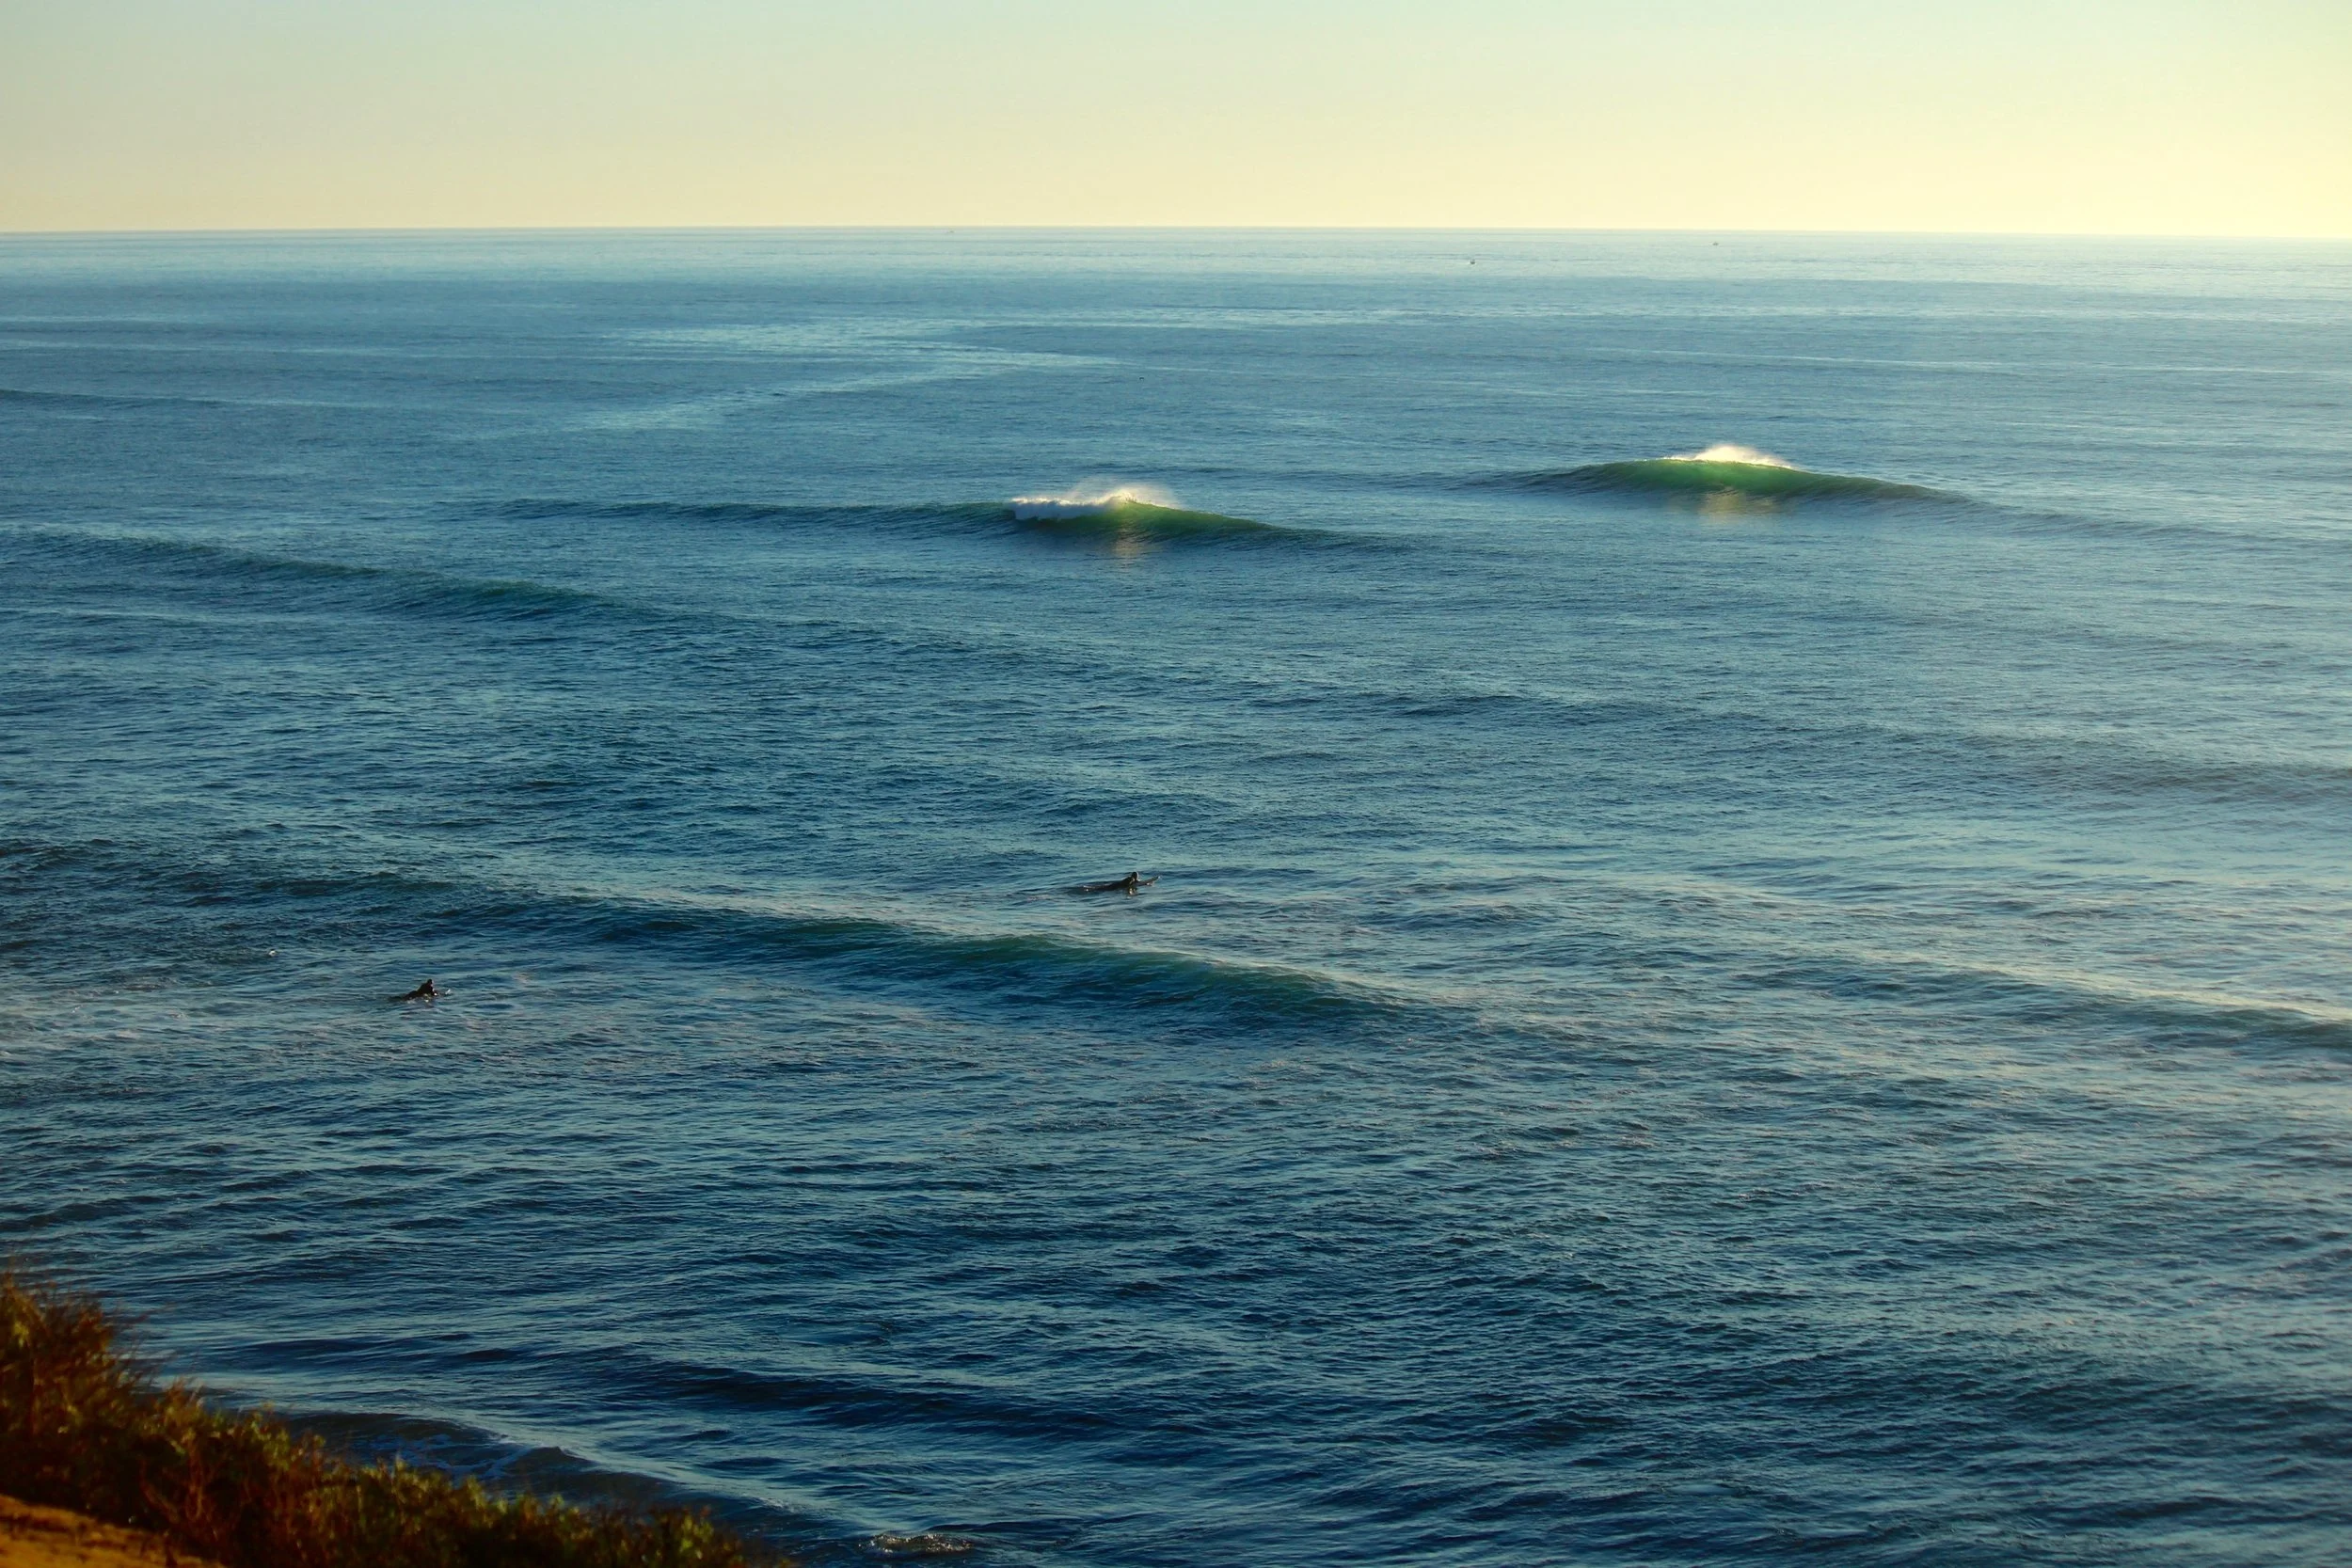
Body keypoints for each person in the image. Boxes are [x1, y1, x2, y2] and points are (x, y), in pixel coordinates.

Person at [1073, 872, 1156, 895]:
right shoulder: (1130, 880)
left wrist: (1147, 883)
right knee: (1100, 889)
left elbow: (1140, 883)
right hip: (1115, 887)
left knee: (1099, 888)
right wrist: (1130, 892)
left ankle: (1088, 888)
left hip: (1114, 884)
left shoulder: (1131, 879)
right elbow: (1129, 886)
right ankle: (1087, 889)